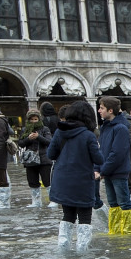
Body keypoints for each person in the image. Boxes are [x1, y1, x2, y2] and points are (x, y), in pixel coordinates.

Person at [47, 101, 104, 251]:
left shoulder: (60, 132)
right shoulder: (88, 135)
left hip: (62, 181)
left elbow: (50, 154)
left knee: (68, 215)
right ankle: (82, 253)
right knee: (85, 217)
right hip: (82, 182)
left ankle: (63, 249)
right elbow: (99, 159)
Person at [97, 96, 131, 234]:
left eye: (102, 108)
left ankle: (128, 233)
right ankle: (115, 231)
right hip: (107, 171)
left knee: (124, 202)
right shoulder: (105, 127)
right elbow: (101, 151)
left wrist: (102, 171)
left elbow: (117, 153)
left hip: (118, 172)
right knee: (113, 203)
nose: (99, 110)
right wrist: (99, 168)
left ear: (111, 110)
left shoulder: (121, 128)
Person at [17, 109, 53, 208]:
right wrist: (28, 139)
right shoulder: (25, 130)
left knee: (47, 180)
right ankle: (36, 201)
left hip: (44, 158)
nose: (33, 121)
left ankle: (53, 200)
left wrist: (38, 137)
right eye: (31, 119)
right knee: (32, 181)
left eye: (35, 119)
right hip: (30, 159)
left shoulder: (45, 129)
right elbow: (20, 143)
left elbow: (49, 142)